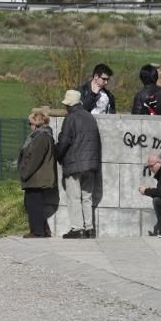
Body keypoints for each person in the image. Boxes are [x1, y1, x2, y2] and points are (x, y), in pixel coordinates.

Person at [55, 89, 101, 239]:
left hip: (74, 165)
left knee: (74, 196)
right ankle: (89, 228)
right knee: (87, 196)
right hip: (91, 164)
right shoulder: (90, 117)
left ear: (69, 105)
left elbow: (64, 141)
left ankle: (77, 228)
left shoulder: (70, 118)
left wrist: (58, 156)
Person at [18, 110, 58, 238]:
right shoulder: (41, 136)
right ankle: (43, 229)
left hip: (36, 177)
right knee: (33, 203)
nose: (29, 125)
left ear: (37, 123)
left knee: (33, 203)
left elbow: (34, 158)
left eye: (30, 123)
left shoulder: (41, 137)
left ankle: (38, 231)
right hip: (36, 176)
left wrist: (24, 173)